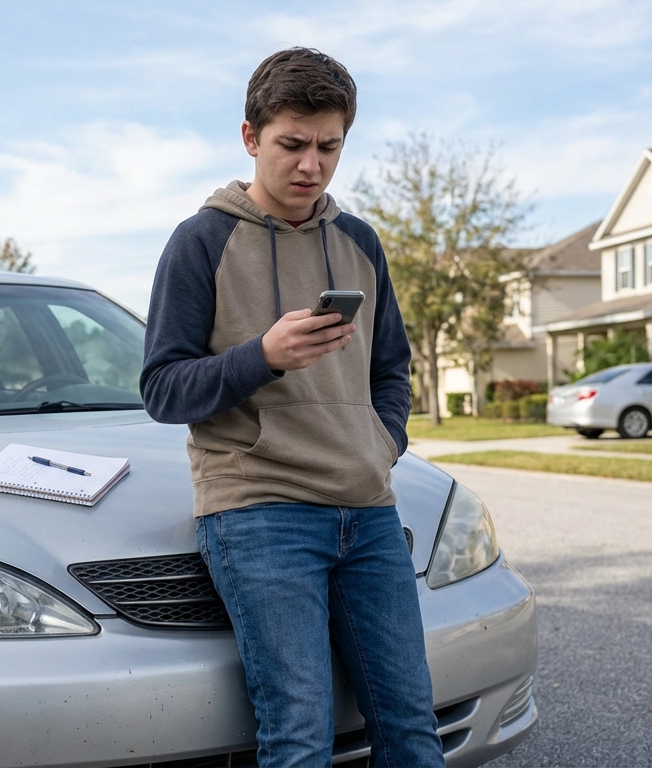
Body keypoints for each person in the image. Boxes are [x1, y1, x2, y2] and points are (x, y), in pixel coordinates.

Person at [139, 47, 444, 767]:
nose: (312, 165)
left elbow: (391, 369)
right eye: (293, 144)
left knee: (410, 724)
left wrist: (381, 444)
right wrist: (264, 355)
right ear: (251, 138)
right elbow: (163, 388)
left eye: (329, 147)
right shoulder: (201, 240)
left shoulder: (359, 241)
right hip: (260, 512)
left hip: (367, 510)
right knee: (299, 734)